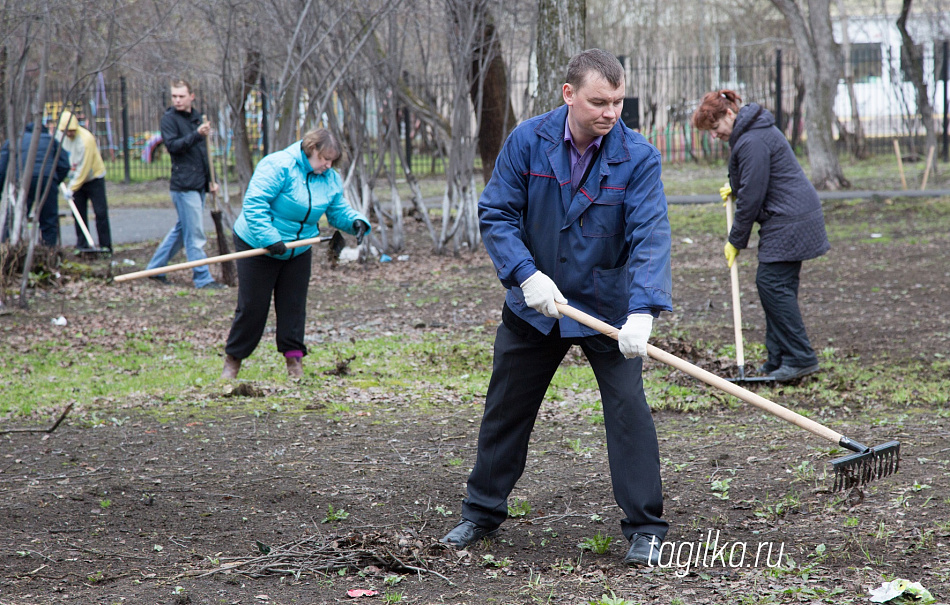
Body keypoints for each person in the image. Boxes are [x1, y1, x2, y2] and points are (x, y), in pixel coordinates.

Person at [440, 49, 672, 568]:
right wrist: (526, 274)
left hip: (605, 307)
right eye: (598, 102)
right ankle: (480, 513)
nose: (610, 113)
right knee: (506, 409)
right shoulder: (528, 141)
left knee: (629, 413)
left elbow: (650, 234)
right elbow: (497, 212)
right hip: (536, 306)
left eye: (617, 101)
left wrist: (643, 310)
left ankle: (646, 528)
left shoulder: (636, 156)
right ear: (569, 94)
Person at [691, 89, 829, 382]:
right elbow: (756, 181)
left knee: (771, 284)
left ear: (729, 114)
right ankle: (779, 359)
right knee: (778, 286)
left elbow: (753, 198)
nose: (715, 136)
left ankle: (800, 357)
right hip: (793, 216)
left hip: (790, 220)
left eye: (715, 129)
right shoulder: (753, 132)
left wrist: (735, 240)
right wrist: (737, 188)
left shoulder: (752, 139)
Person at [220, 128, 370, 380]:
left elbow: (336, 209)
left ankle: (294, 363)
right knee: (253, 307)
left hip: (298, 248)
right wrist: (270, 239)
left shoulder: (329, 177)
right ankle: (233, 361)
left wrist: (356, 221)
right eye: (324, 159)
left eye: (332, 160)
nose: (327, 165)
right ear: (310, 149)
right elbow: (255, 205)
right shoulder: (279, 166)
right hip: (257, 244)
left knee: (293, 305)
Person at [145, 79, 225, 289]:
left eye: (181, 96)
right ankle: (203, 278)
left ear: (192, 96)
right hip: (183, 186)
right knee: (195, 234)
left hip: (199, 184)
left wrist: (211, 180)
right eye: (174, 96)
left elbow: (203, 153)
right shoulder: (169, 120)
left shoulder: (197, 117)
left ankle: (155, 268)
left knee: (182, 231)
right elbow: (173, 146)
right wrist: (196, 134)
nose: (177, 100)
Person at [0, 122, 70, 246]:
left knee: (16, 218)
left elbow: (2, 167)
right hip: (46, 179)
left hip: (22, 181)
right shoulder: (51, 140)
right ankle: (49, 252)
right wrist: (54, 181)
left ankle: (8, 247)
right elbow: (64, 164)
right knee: (49, 220)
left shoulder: (16, 140)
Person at [56, 111, 112, 252]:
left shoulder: (86, 139)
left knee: (100, 212)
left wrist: (72, 187)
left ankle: (105, 246)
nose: (69, 133)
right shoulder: (59, 137)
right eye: (66, 131)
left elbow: (85, 167)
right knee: (78, 213)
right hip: (75, 180)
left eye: (71, 130)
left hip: (94, 178)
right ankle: (82, 245)